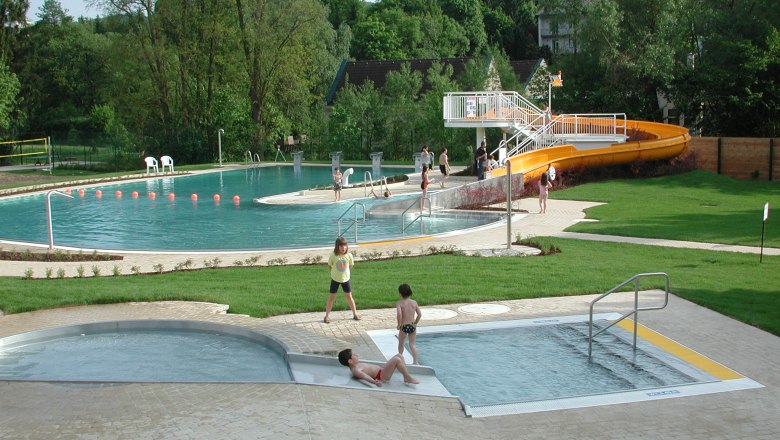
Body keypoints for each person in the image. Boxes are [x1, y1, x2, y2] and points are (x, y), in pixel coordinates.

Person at [324, 237, 360, 323]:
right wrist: (333, 272)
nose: (343, 248)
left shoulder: (349, 255)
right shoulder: (333, 255)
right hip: (335, 279)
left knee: (349, 297)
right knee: (331, 297)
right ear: (337, 247)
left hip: (345, 279)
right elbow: (329, 265)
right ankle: (327, 316)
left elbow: (350, 265)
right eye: (341, 246)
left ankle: (355, 314)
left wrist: (345, 273)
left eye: (345, 246)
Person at [338, 348, 419, 386]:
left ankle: (405, 375)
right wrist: (375, 382)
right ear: (350, 361)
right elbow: (365, 377)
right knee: (397, 359)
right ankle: (408, 378)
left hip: (382, 371)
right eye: (354, 355)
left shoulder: (356, 366)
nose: (356, 355)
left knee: (399, 355)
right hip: (382, 376)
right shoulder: (356, 370)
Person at [396, 283, 421, 365]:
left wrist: (399, 324)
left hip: (404, 326)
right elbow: (419, 314)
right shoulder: (414, 302)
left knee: (401, 343)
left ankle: (401, 359)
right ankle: (415, 361)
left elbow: (399, 314)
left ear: (400, 293)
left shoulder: (399, 303)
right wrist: (415, 323)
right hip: (412, 325)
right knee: (412, 344)